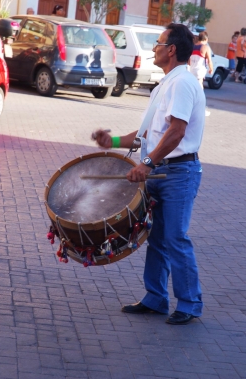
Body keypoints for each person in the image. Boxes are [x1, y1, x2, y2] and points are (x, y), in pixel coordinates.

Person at [92, 23, 205, 325]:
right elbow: (146, 137)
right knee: (158, 238)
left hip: (178, 173)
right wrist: (112, 142)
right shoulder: (163, 85)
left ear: (171, 50)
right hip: (164, 172)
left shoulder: (182, 83)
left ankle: (190, 303)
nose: (154, 47)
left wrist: (147, 164)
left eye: (158, 42)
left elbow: (177, 132)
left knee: (175, 238)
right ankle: (156, 299)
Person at [189, 31, 213, 116]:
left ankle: (191, 108)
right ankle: (201, 109)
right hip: (199, 71)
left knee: (192, 90)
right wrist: (211, 69)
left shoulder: (193, 47)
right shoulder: (205, 47)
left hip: (191, 71)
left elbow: (189, 62)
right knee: (200, 91)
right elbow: (209, 60)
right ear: (206, 39)